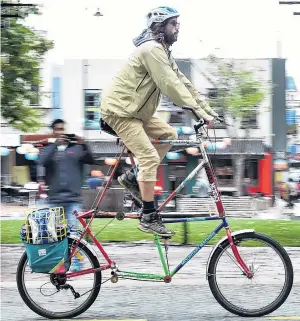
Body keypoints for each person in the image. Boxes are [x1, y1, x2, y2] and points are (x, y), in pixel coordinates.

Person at [100, 6, 219, 236]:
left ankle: (133, 177)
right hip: (120, 112)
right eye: (174, 24)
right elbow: (170, 85)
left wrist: (206, 109)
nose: (178, 29)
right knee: (149, 156)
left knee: (169, 134)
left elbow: (182, 82)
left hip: (136, 113)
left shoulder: (162, 51)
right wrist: (198, 112)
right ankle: (149, 215)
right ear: (160, 26)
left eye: (178, 24)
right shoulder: (151, 49)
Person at [38, 119, 95, 270]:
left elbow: (90, 159)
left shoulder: (75, 148)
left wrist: (83, 144)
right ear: (53, 131)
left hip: (73, 199)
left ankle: (76, 264)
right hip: (54, 199)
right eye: (57, 129)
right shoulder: (49, 149)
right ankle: (58, 264)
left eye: (62, 129)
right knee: (55, 235)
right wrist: (55, 145)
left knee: (73, 234)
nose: (60, 132)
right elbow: (41, 161)